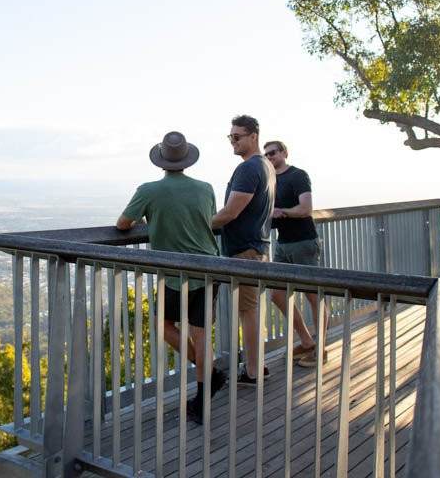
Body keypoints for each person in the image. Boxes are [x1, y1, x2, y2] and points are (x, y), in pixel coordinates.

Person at [116, 131, 226, 424]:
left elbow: (123, 224)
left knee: (163, 326)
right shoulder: (205, 188)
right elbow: (208, 219)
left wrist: (149, 219)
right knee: (202, 335)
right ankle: (206, 389)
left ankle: (209, 375)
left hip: (173, 270)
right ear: (187, 159)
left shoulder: (148, 190)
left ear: (161, 162)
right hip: (208, 267)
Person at [210, 115, 276, 386]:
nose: (232, 142)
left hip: (245, 250)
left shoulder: (249, 168)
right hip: (257, 246)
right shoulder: (266, 166)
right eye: (230, 137)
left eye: (237, 137)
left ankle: (252, 372)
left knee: (247, 311)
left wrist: (203, 226)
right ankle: (257, 364)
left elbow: (231, 211)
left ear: (253, 136)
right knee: (252, 310)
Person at [264, 140, 327, 367]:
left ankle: (321, 350)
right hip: (282, 244)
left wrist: (284, 212)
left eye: (272, 153)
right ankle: (307, 341)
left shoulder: (298, 175)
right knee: (277, 295)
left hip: (304, 242)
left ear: (284, 152)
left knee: (314, 296)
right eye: (266, 154)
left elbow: (305, 208)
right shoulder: (271, 180)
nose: (269, 157)